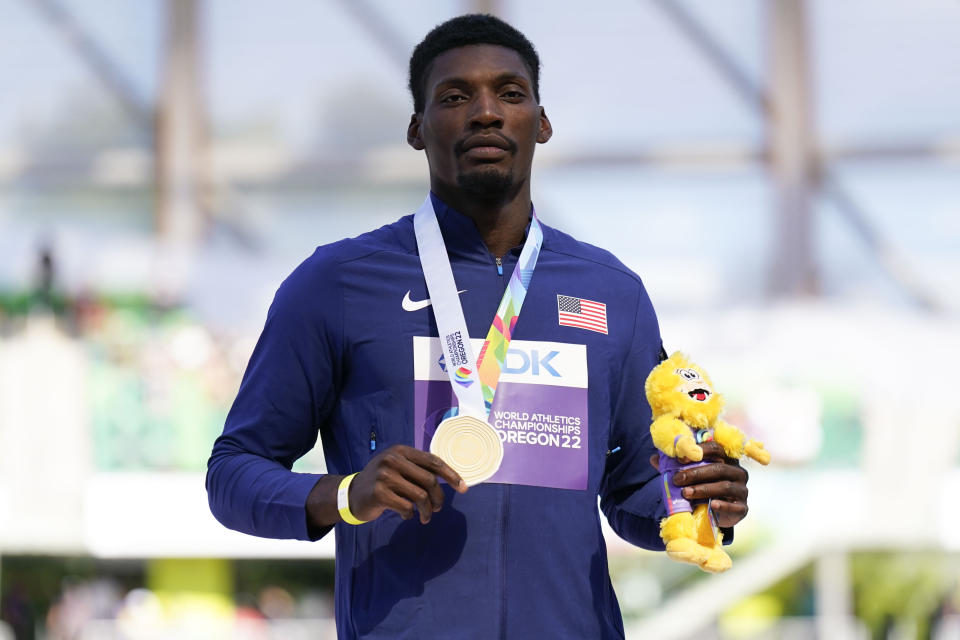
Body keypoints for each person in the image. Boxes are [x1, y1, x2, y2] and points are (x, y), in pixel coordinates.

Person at [207, 14, 750, 639]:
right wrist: (348, 492)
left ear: (541, 123)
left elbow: (634, 492)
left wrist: (701, 502)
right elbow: (233, 472)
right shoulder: (336, 284)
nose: (486, 112)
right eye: (455, 96)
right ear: (417, 129)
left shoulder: (613, 292)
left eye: (510, 94)